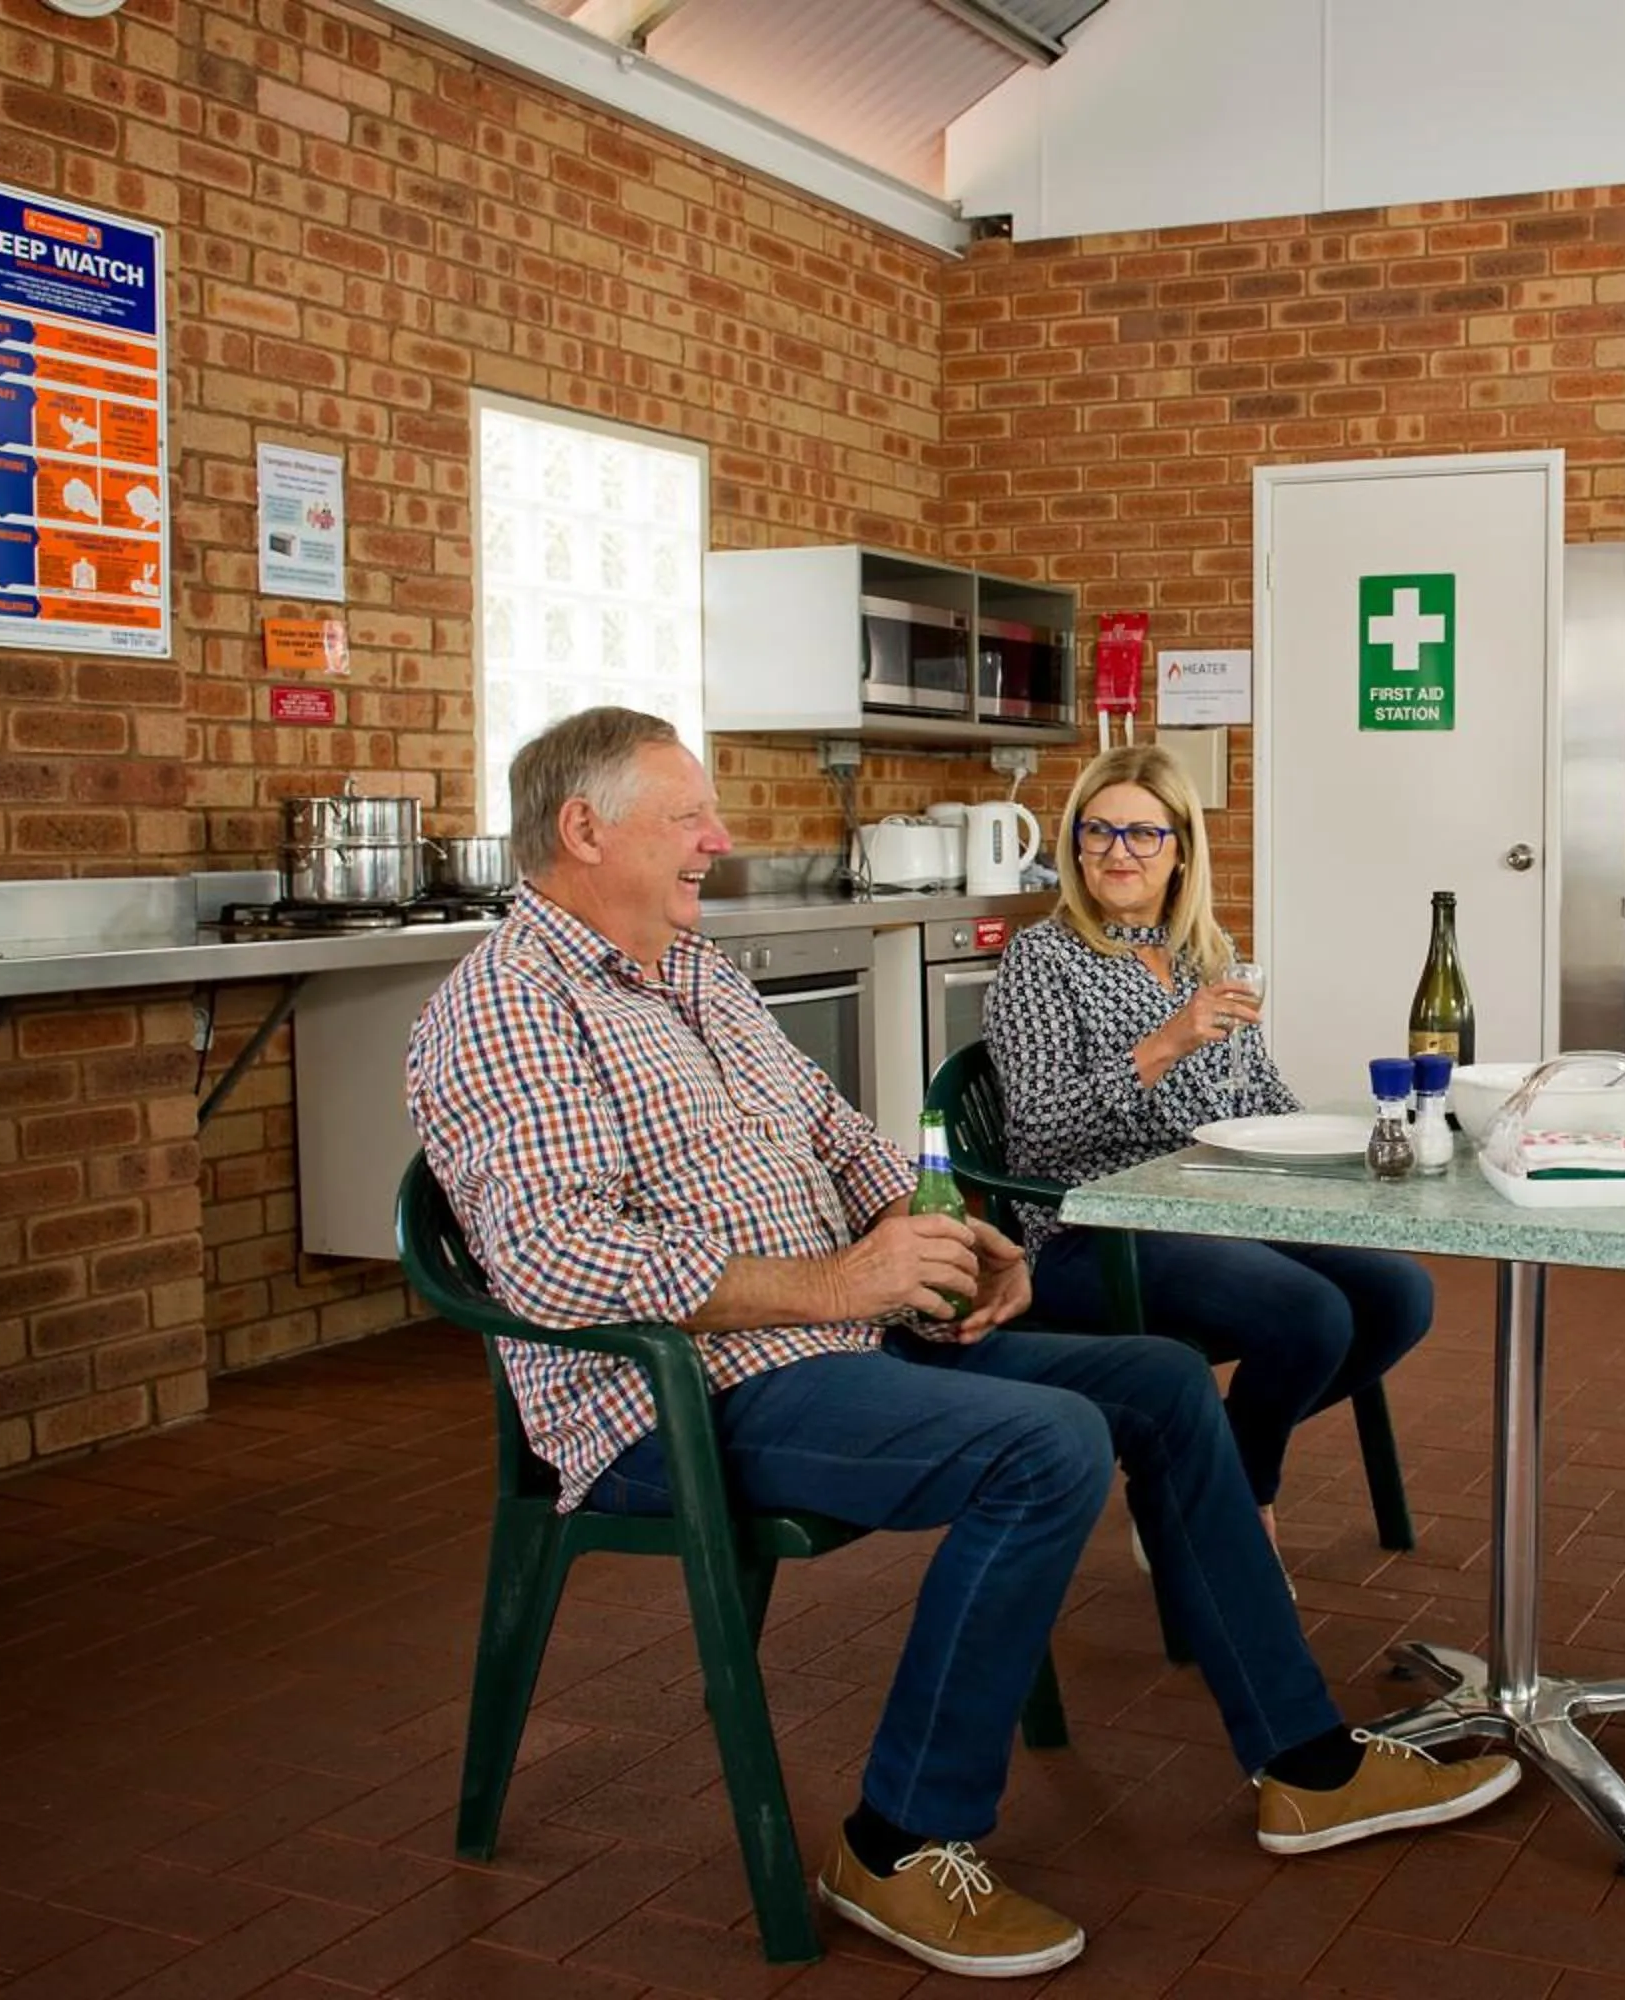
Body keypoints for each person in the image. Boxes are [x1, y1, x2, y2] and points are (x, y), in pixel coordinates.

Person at [406, 710, 1516, 1981]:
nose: (720, 839)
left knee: (1153, 1381)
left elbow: (835, 1132)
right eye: (689, 818)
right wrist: (840, 1274)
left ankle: (1303, 1762)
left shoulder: (692, 971)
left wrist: (945, 1222)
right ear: (583, 829)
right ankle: (898, 1839)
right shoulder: (504, 1005)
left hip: (839, 1335)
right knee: (1043, 1446)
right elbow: (554, 1259)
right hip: (676, 1395)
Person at [981, 744, 1432, 1555]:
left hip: (1215, 1208)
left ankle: (1192, 1473)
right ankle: (1231, 1512)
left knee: (1400, 1294)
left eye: (1144, 835)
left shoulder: (1206, 951)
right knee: (1308, 1314)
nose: (1120, 853)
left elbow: (1259, 1096)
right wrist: (1167, 1041)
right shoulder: (1041, 960)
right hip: (1094, 1230)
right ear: (1074, 844)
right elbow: (1040, 1134)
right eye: (1100, 832)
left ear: (1180, 848)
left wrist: (1354, 1146)